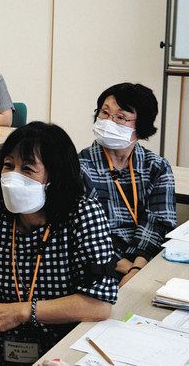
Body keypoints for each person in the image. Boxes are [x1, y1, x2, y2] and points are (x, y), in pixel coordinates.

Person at [0, 122, 118, 365]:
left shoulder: (83, 215)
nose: (13, 177)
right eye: (8, 166)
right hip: (11, 354)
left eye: (27, 169)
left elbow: (99, 305)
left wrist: (22, 311)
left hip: (69, 352)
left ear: (54, 177)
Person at [79, 83, 176, 287]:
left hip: (144, 261)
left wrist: (137, 268)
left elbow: (158, 224)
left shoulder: (156, 167)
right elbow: (86, 233)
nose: (108, 121)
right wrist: (127, 268)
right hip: (99, 264)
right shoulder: (80, 167)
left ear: (141, 126)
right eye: (104, 113)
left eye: (120, 117)